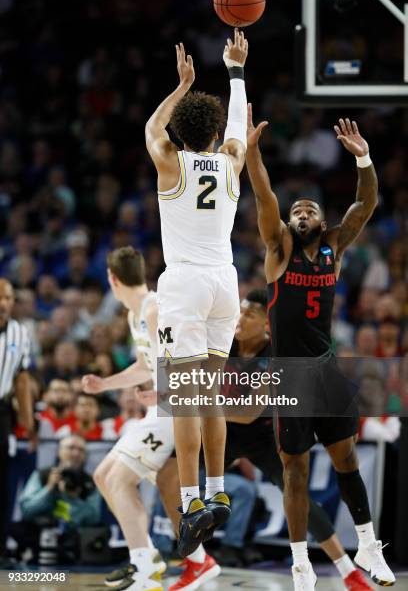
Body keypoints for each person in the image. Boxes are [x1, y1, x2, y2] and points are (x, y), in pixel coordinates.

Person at [246, 108, 395, 589]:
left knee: (346, 458)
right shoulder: (279, 248)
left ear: (322, 219)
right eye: (297, 211)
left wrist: (365, 159)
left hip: (327, 368)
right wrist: (251, 154)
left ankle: (369, 545)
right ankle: (300, 563)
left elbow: (364, 205)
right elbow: (266, 197)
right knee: (295, 468)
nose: (302, 212)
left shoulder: (335, 244)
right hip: (288, 373)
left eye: (309, 208)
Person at [165, 290, 372, 590]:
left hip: (264, 434)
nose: (240, 318)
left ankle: (348, 571)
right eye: (241, 311)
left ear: (266, 323)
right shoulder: (225, 343)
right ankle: (196, 561)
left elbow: (249, 412)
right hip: (224, 431)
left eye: (250, 314)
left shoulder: (275, 354)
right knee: (172, 474)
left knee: (300, 499)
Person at [145, 28, 248, 558]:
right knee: (210, 395)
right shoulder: (232, 163)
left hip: (184, 283)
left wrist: (181, 86)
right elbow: (239, 128)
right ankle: (218, 490)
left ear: (182, 134)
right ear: (212, 135)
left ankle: (190, 504)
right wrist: (235, 72)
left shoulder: (171, 163)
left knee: (185, 396)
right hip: (225, 283)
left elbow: (151, 127)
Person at [82, 247, 178, 591]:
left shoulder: (154, 310)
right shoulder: (134, 314)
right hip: (160, 406)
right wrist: (105, 383)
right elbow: (144, 366)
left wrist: (162, 395)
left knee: (119, 480)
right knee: (103, 475)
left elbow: (179, 365)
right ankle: (147, 557)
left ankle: (145, 566)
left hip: (175, 408)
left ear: (112, 279)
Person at [16, 435, 100, 563]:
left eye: (81, 450)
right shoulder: (43, 475)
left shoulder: (89, 483)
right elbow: (26, 510)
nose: (76, 453)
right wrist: (49, 489)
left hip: (73, 540)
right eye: (71, 448)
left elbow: (94, 519)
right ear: (59, 451)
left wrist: (73, 499)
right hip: (38, 535)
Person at [0, 278, 34, 563]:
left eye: (8, 298)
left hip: (2, 413)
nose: (3, 303)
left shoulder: (20, 333)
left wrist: (29, 424)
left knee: (3, 487)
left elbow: (22, 381)